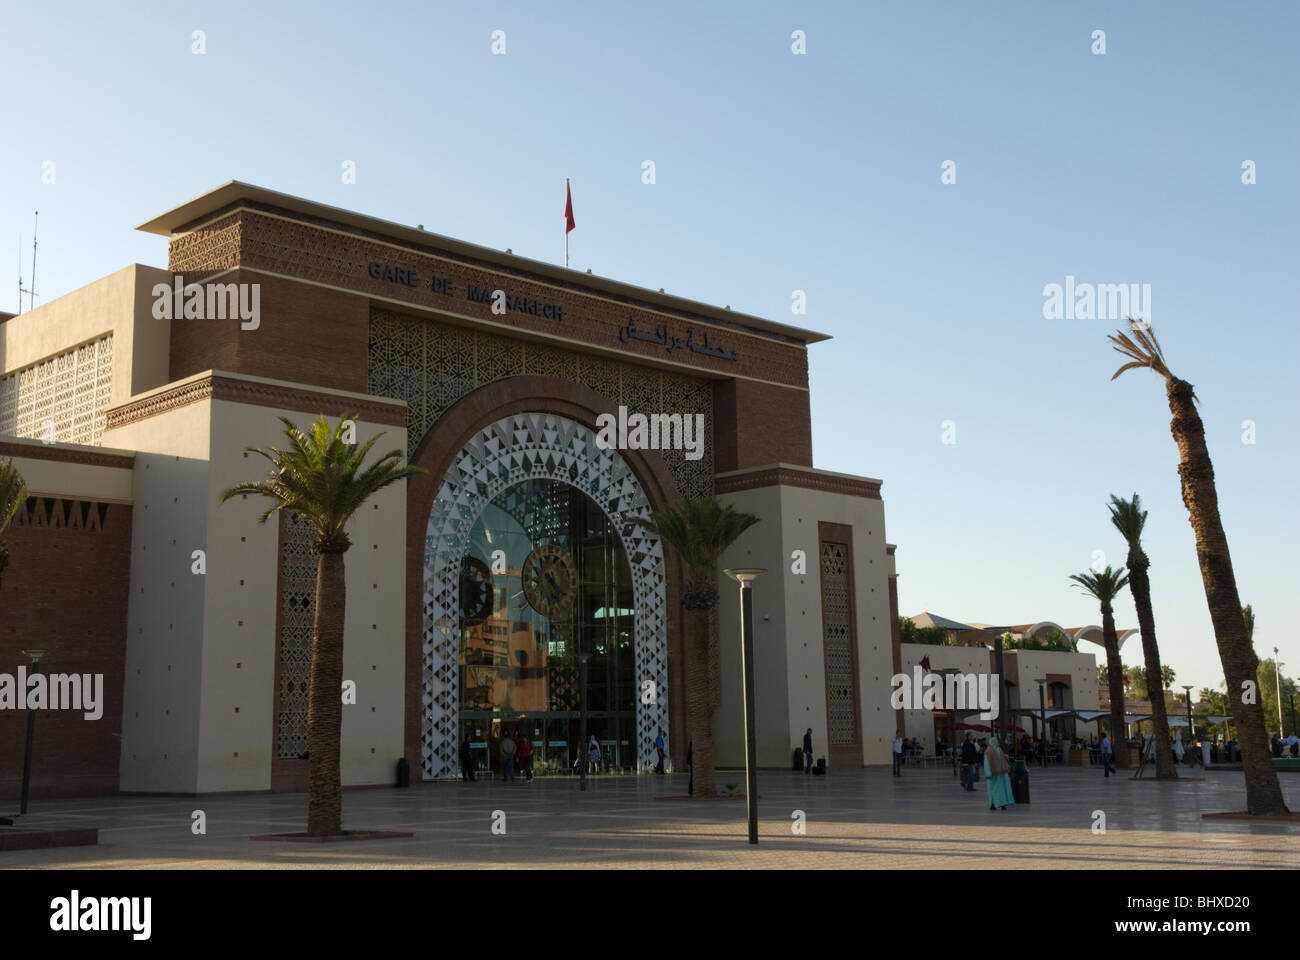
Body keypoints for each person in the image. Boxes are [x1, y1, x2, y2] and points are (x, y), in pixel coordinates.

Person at [984, 735, 1014, 810]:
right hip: (994, 774)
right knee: (994, 790)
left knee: (1002, 789)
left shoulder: (999, 749)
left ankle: (1002, 804)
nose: (998, 742)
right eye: (997, 741)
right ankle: (993, 804)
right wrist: (988, 774)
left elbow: (1002, 758)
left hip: (1002, 773)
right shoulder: (988, 751)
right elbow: (986, 763)